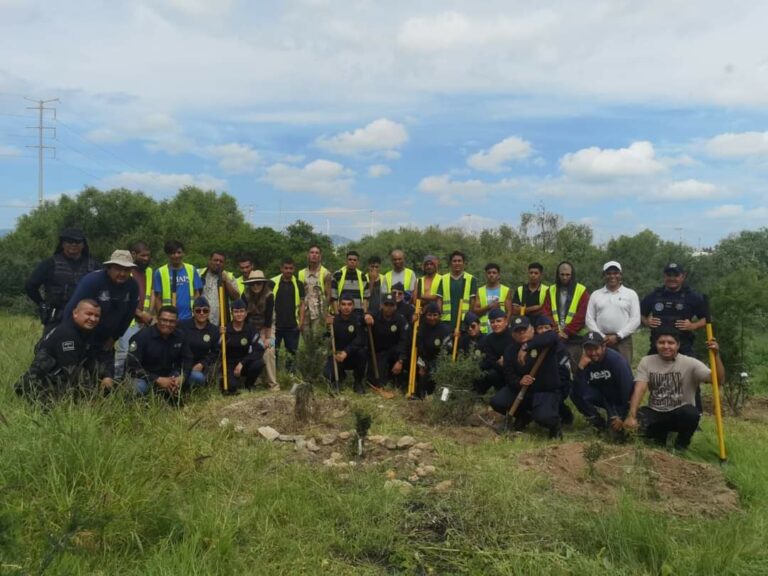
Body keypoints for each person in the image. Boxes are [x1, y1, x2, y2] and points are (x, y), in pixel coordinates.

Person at [624, 327, 724, 451]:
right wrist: (632, 416)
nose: (666, 346)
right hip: (656, 411)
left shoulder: (690, 363)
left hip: (678, 413)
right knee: (629, 429)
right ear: (656, 344)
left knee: (691, 414)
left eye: (670, 343)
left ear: (678, 345)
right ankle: (659, 438)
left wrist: (716, 355)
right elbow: (639, 389)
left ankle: (681, 446)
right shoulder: (647, 361)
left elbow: (718, 380)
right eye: (661, 342)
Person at [63, 249, 140, 392]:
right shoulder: (92, 281)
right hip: (82, 334)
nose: (122, 274)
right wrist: (70, 336)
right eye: (118, 269)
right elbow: (72, 310)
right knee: (75, 371)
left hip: (106, 337)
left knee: (106, 375)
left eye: (127, 270)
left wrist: (115, 337)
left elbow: (128, 315)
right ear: (109, 267)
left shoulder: (132, 286)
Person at [14, 298, 102, 402]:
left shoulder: (84, 333)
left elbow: (91, 361)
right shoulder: (67, 334)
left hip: (58, 381)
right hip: (40, 388)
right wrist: (94, 397)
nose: (93, 319)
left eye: (97, 316)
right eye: (88, 314)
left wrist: (105, 376)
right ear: (75, 313)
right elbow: (72, 371)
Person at [490, 316, 563, 438]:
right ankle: (523, 417)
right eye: (517, 331)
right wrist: (520, 381)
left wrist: (527, 347)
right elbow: (509, 376)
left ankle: (555, 425)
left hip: (544, 391)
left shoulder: (544, 342)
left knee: (543, 417)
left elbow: (553, 336)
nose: (521, 333)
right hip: (522, 391)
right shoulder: (510, 350)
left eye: (524, 329)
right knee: (497, 402)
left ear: (532, 329)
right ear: (512, 334)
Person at [24, 227, 98, 338]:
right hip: (57, 315)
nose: (73, 245)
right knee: (48, 350)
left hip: (86, 318)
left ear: (83, 245)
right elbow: (30, 286)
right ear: (63, 244)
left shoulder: (94, 266)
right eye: (69, 241)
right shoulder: (50, 264)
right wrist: (42, 303)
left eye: (77, 242)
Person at [571, 331, 634, 436]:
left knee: (615, 435)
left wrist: (622, 416)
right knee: (574, 392)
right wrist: (580, 369)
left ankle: (616, 418)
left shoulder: (616, 361)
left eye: (596, 349)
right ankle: (597, 421)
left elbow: (627, 389)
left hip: (618, 399)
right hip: (602, 396)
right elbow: (577, 389)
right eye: (588, 350)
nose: (593, 353)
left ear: (603, 346)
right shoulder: (585, 361)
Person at [640, 263, 709, 357]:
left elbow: (707, 318)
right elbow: (639, 314)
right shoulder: (654, 295)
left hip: (684, 347)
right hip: (658, 347)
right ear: (664, 276)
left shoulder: (692, 297)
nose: (672, 278)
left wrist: (693, 325)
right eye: (669, 275)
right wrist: (647, 321)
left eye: (676, 275)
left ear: (683, 276)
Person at [126, 305, 192, 398]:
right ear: (157, 319)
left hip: (170, 376)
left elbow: (188, 359)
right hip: (146, 378)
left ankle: (170, 396)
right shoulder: (141, 337)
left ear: (177, 322)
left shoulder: (180, 336)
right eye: (164, 320)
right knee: (139, 386)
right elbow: (132, 367)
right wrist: (157, 379)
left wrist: (182, 377)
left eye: (172, 321)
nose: (167, 324)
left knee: (194, 377)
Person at [585, 261, 641, 364]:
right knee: (601, 371)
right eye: (609, 273)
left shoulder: (630, 294)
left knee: (623, 370)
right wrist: (602, 337)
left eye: (615, 273)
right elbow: (589, 319)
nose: (612, 276)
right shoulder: (596, 294)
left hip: (623, 340)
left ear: (621, 275)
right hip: (600, 341)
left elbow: (635, 319)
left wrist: (619, 336)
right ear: (604, 275)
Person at [114, 241, 153, 379]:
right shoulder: (126, 272)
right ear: (133, 254)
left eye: (148, 255)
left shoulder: (149, 271)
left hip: (144, 322)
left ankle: (134, 383)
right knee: (123, 354)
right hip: (127, 321)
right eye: (143, 256)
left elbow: (151, 294)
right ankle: (117, 384)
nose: (146, 259)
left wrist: (148, 315)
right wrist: (139, 313)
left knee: (141, 354)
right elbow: (120, 298)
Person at [543, 260, 590, 369]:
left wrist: (566, 331)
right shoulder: (551, 290)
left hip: (574, 338)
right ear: (557, 275)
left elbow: (582, 315)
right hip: (555, 337)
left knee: (575, 369)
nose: (564, 277)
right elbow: (546, 312)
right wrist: (556, 331)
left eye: (568, 275)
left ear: (572, 275)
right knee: (556, 368)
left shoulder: (581, 290)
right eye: (562, 275)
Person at [242, 270, 279, 390]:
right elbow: (244, 318)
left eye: (258, 283)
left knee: (269, 350)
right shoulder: (245, 295)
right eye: (252, 284)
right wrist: (253, 336)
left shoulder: (269, 295)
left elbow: (268, 318)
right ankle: (254, 382)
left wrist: (266, 337)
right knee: (251, 349)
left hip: (267, 326)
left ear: (263, 284)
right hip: (251, 327)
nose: (255, 286)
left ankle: (272, 384)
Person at [366, 293, 409, 391]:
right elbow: (361, 319)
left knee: (405, 360)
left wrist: (400, 360)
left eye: (391, 305)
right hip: (379, 352)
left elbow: (404, 341)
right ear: (381, 305)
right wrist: (366, 316)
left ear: (395, 306)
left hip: (395, 352)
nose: (388, 308)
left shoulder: (401, 320)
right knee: (376, 381)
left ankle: (399, 382)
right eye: (386, 305)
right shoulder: (374, 316)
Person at [325, 293, 367, 392]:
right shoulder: (334, 321)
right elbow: (326, 340)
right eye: (343, 304)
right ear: (339, 306)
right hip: (338, 356)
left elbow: (359, 340)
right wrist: (326, 327)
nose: (346, 307)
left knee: (363, 352)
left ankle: (358, 382)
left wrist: (346, 352)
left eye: (349, 304)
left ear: (353, 306)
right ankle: (338, 379)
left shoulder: (358, 320)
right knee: (327, 374)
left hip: (352, 356)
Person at [152, 240, 203, 321]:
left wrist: (196, 314)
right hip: (169, 319)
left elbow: (197, 294)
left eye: (179, 252)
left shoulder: (191, 269)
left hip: (189, 318)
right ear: (168, 255)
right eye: (173, 253)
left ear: (183, 253)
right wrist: (162, 318)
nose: (176, 255)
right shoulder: (160, 272)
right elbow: (158, 298)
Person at [222, 299, 264, 393]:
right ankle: (230, 382)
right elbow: (217, 348)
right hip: (229, 364)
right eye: (236, 311)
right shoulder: (225, 329)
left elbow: (259, 349)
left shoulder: (250, 329)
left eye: (241, 311)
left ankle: (249, 385)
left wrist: (242, 363)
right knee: (232, 388)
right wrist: (220, 336)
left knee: (259, 363)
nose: (239, 314)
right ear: (232, 313)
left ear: (246, 313)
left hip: (245, 362)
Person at [179, 296, 220, 389]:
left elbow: (215, 352)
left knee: (198, 378)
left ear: (209, 312)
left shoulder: (214, 330)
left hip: (200, 367)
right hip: (182, 365)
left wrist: (203, 363)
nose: (202, 313)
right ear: (193, 311)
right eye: (198, 311)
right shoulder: (182, 325)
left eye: (205, 311)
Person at [271, 258, 306, 369]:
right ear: (281, 268)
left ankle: (289, 375)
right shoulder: (272, 282)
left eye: (291, 268)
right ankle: (274, 374)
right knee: (273, 353)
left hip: (292, 325)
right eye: (286, 268)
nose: (288, 270)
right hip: (275, 325)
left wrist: (300, 322)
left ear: (294, 269)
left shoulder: (299, 284)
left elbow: (302, 305)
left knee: (291, 353)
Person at [415, 302, 452, 397]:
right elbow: (420, 347)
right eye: (429, 315)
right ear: (425, 315)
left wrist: (436, 365)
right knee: (422, 377)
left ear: (439, 315)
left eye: (435, 315)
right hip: (426, 361)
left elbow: (447, 351)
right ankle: (421, 398)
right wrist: (423, 364)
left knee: (445, 379)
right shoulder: (421, 328)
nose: (432, 318)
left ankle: (444, 399)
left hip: (441, 362)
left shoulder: (446, 330)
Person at [436, 250, 478, 331]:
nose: (457, 263)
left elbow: (472, 301)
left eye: (459, 261)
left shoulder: (471, 279)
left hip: (463, 321)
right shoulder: (443, 279)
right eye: (454, 261)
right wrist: (439, 316)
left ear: (463, 263)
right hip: (447, 321)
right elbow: (439, 300)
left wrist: (470, 318)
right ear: (450, 263)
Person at [473, 309, 511, 394]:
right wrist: (499, 363)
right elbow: (491, 360)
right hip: (499, 372)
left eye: (498, 321)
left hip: (515, 372)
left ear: (505, 320)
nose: (495, 324)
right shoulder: (489, 339)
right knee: (490, 373)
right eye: (492, 322)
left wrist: (506, 361)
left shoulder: (514, 335)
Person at [198, 250, 240, 326]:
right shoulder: (199, 274)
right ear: (210, 260)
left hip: (221, 322)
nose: (218, 263)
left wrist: (226, 281)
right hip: (200, 319)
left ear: (224, 264)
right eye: (215, 260)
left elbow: (236, 297)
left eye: (221, 261)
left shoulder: (229, 276)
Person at [298, 245, 331, 336]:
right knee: (307, 340)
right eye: (312, 252)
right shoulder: (301, 273)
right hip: (305, 312)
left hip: (319, 313)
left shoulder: (326, 273)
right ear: (308, 255)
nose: (314, 255)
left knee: (318, 339)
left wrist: (325, 312)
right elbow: (299, 295)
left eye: (317, 253)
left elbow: (328, 295)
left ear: (320, 256)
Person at [474, 262, 511, 333]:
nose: (491, 275)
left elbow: (509, 311)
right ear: (486, 274)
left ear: (498, 275)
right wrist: (488, 307)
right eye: (489, 273)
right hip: (484, 331)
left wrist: (505, 326)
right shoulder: (480, 291)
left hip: (501, 330)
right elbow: (475, 311)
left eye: (494, 273)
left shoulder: (506, 290)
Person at [331, 250, 369, 315]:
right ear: (346, 261)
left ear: (358, 262)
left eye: (354, 260)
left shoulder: (362, 276)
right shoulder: (337, 275)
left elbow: (366, 297)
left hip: (358, 313)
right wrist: (336, 314)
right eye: (350, 259)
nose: (352, 261)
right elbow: (334, 296)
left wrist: (365, 313)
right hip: (341, 314)